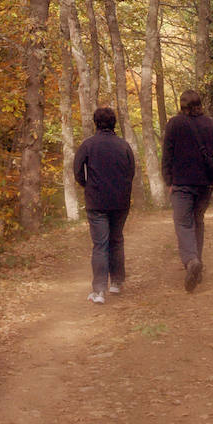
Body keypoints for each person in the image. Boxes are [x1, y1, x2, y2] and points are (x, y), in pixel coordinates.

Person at [162, 89, 213, 292]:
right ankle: (196, 263)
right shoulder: (210, 124)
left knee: (183, 223)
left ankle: (191, 261)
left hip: (181, 184)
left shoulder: (174, 124)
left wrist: (168, 180)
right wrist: (211, 179)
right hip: (204, 185)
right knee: (198, 221)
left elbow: (167, 154)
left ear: (182, 105)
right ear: (200, 104)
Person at [74, 106, 135, 304]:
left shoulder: (88, 145)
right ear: (114, 123)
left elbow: (77, 171)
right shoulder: (124, 145)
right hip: (120, 201)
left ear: (95, 123)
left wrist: (88, 185)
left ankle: (99, 290)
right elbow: (131, 172)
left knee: (100, 244)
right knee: (116, 240)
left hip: (97, 201)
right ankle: (117, 282)